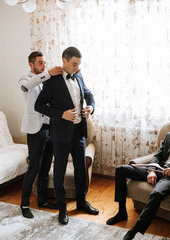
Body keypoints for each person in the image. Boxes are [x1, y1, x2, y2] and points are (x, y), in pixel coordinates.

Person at [106, 110, 170, 240]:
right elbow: (157, 156)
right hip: (158, 170)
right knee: (121, 170)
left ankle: (135, 230)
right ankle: (121, 212)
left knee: (156, 194)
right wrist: (152, 170)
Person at [35, 46, 99, 225]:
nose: (77, 67)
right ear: (64, 61)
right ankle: (62, 209)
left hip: (79, 133)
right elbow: (39, 105)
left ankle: (81, 202)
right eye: (74, 64)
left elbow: (89, 94)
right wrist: (61, 114)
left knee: (80, 170)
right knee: (60, 171)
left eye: (79, 64)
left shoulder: (78, 75)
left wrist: (90, 108)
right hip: (60, 135)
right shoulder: (52, 80)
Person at [18, 51, 63, 218]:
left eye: (45, 63)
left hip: (50, 128)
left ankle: (42, 200)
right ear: (31, 65)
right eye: (40, 63)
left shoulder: (47, 79)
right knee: (34, 167)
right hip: (35, 130)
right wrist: (47, 74)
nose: (44, 66)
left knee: (45, 168)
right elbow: (28, 86)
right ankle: (24, 204)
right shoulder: (25, 79)